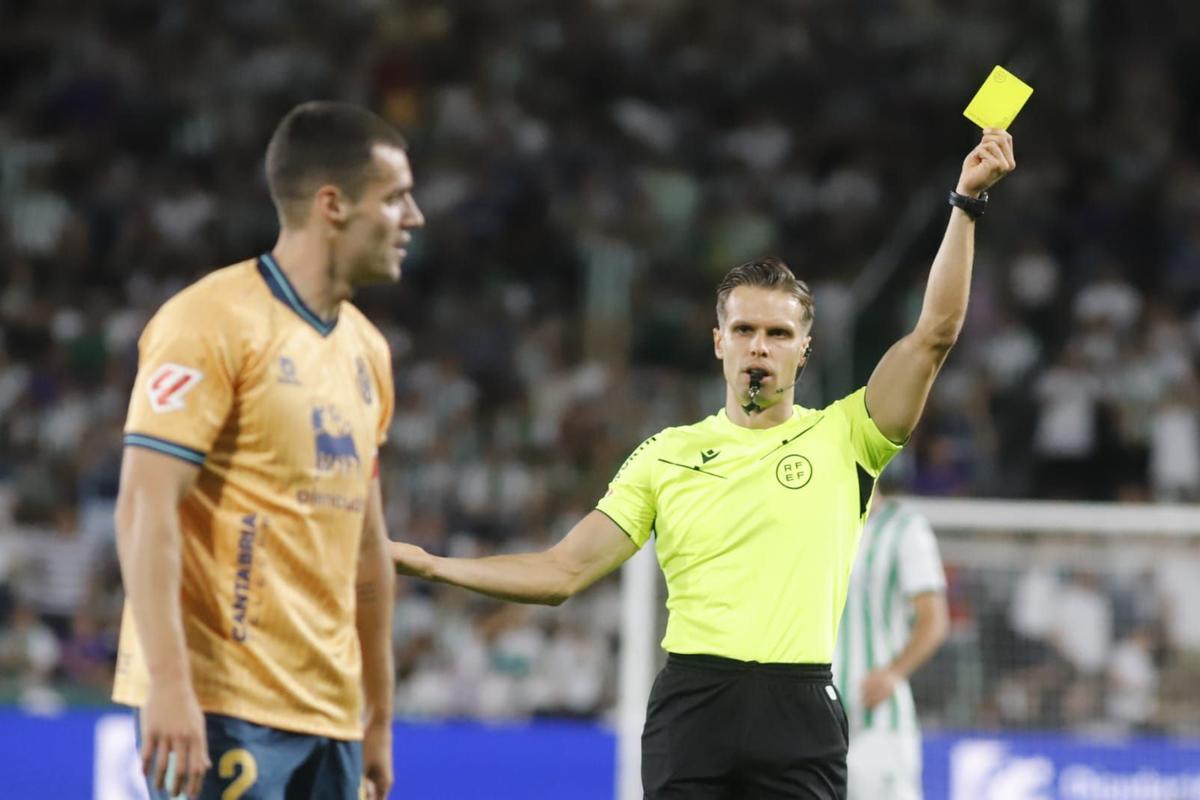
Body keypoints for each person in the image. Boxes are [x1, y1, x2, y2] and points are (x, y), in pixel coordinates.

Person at [391, 128, 1015, 798]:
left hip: (800, 709)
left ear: (804, 350)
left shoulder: (847, 436)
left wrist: (965, 204)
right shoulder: (666, 455)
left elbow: (933, 335)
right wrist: (430, 564)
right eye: (744, 330)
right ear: (719, 342)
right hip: (693, 706)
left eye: (778, 333)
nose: (759, 346)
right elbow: (561, 572)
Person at [113, 101, 424, 800]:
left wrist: (378, 717)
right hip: (224, 706)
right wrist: (169, 684)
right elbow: (143, 506)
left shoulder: (367, 351)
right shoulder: (209, 321)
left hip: (332, 719)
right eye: (396, 198)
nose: (414, 217)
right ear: (332, 204)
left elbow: (367, 551)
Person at [833, 496, 948, 800]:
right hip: (815, 717)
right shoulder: (814, 523)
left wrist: (894, 673)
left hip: (878, 718)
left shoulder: (904, 528)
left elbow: (934, 619)